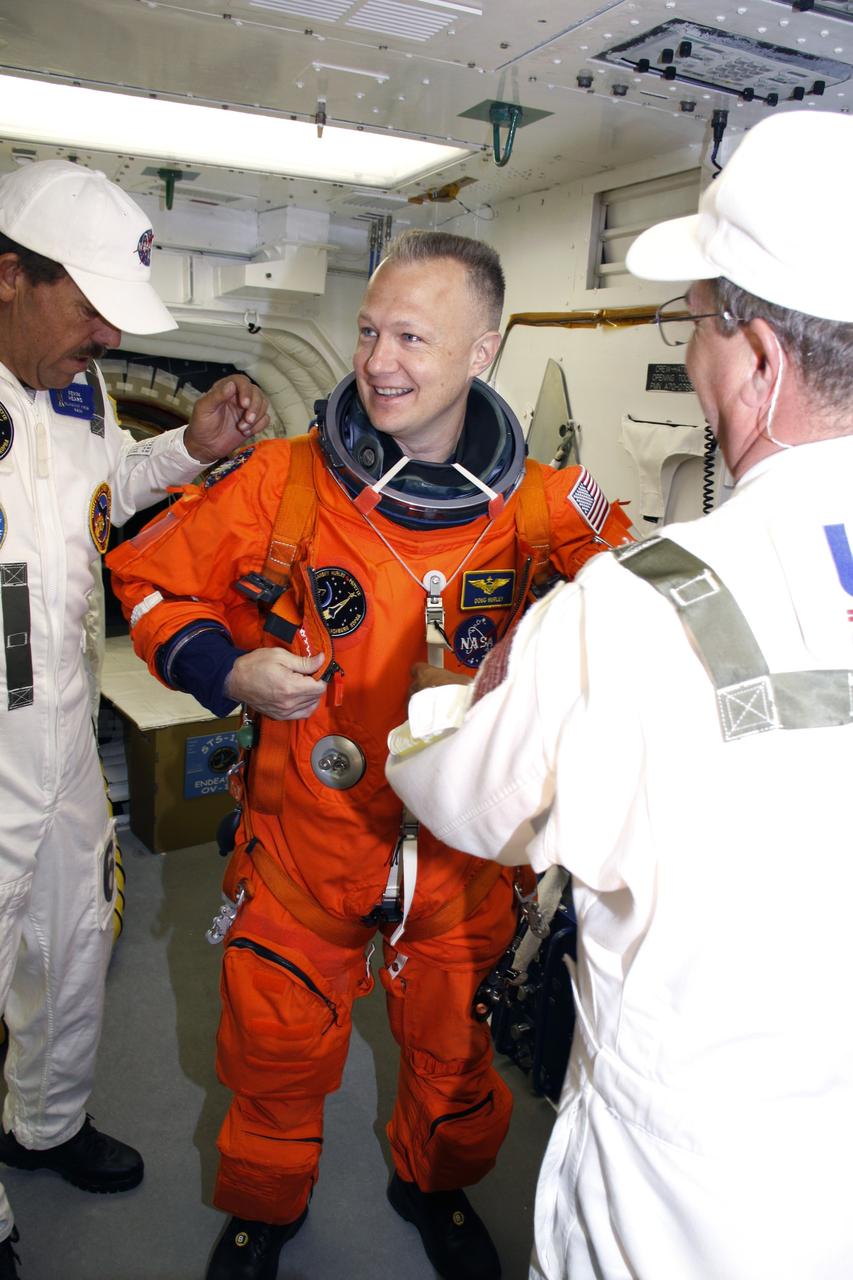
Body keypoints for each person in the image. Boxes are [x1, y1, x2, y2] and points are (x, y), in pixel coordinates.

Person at [107, 228, 632, 1280]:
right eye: (366, 331)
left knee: (453, 1059)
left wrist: (545, 668)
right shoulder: (282, 484)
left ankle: (431, 1187)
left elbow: (635, 609)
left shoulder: (541, 505)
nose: (378, 361)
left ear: (481, 352)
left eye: (410, 337)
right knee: (272, 1054)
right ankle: (263, 1209)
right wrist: (228, 669)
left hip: (457, 861)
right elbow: (149, 578)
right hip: (309, 840)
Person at [385, 110, 853, 1280]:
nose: (693, 356)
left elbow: (473, 800)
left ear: (759, 359)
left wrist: (459, 699)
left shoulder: (633, 606)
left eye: (695, 324)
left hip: (686, 1198)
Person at [0, 159, 269, 1280]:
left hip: (58, 726)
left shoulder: (74, 389)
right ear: (10, 275)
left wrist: (192, 450)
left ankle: (44, 1124)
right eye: (90, 306)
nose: (107, 333)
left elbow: (113, 481)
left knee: (76, 943)